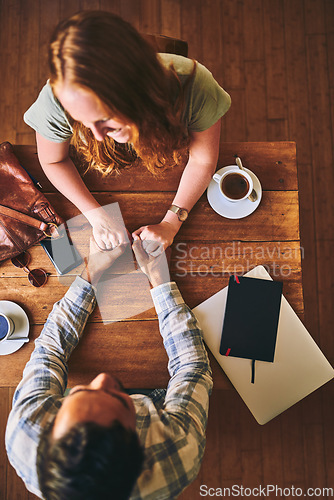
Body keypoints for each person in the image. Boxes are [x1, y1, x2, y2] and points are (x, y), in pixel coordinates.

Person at [5, 236, 213, 499]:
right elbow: (192, 368)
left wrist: (92, 271)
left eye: (79, 393)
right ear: (140, 441)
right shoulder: (178, 454)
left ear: (50, 423)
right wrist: (160, 281)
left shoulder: (25, 429)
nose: (103, 378)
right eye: (121, 398)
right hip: (162, 402)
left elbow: (49, 351)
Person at [24, 10, 231, 255]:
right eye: (84, 122)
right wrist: (97, 216)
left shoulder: (196, 87)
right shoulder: (57, 99)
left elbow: (203, 159)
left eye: (104, 118)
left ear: (140, 94)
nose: (98, 135)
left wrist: (171, 222)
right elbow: (52, 159)